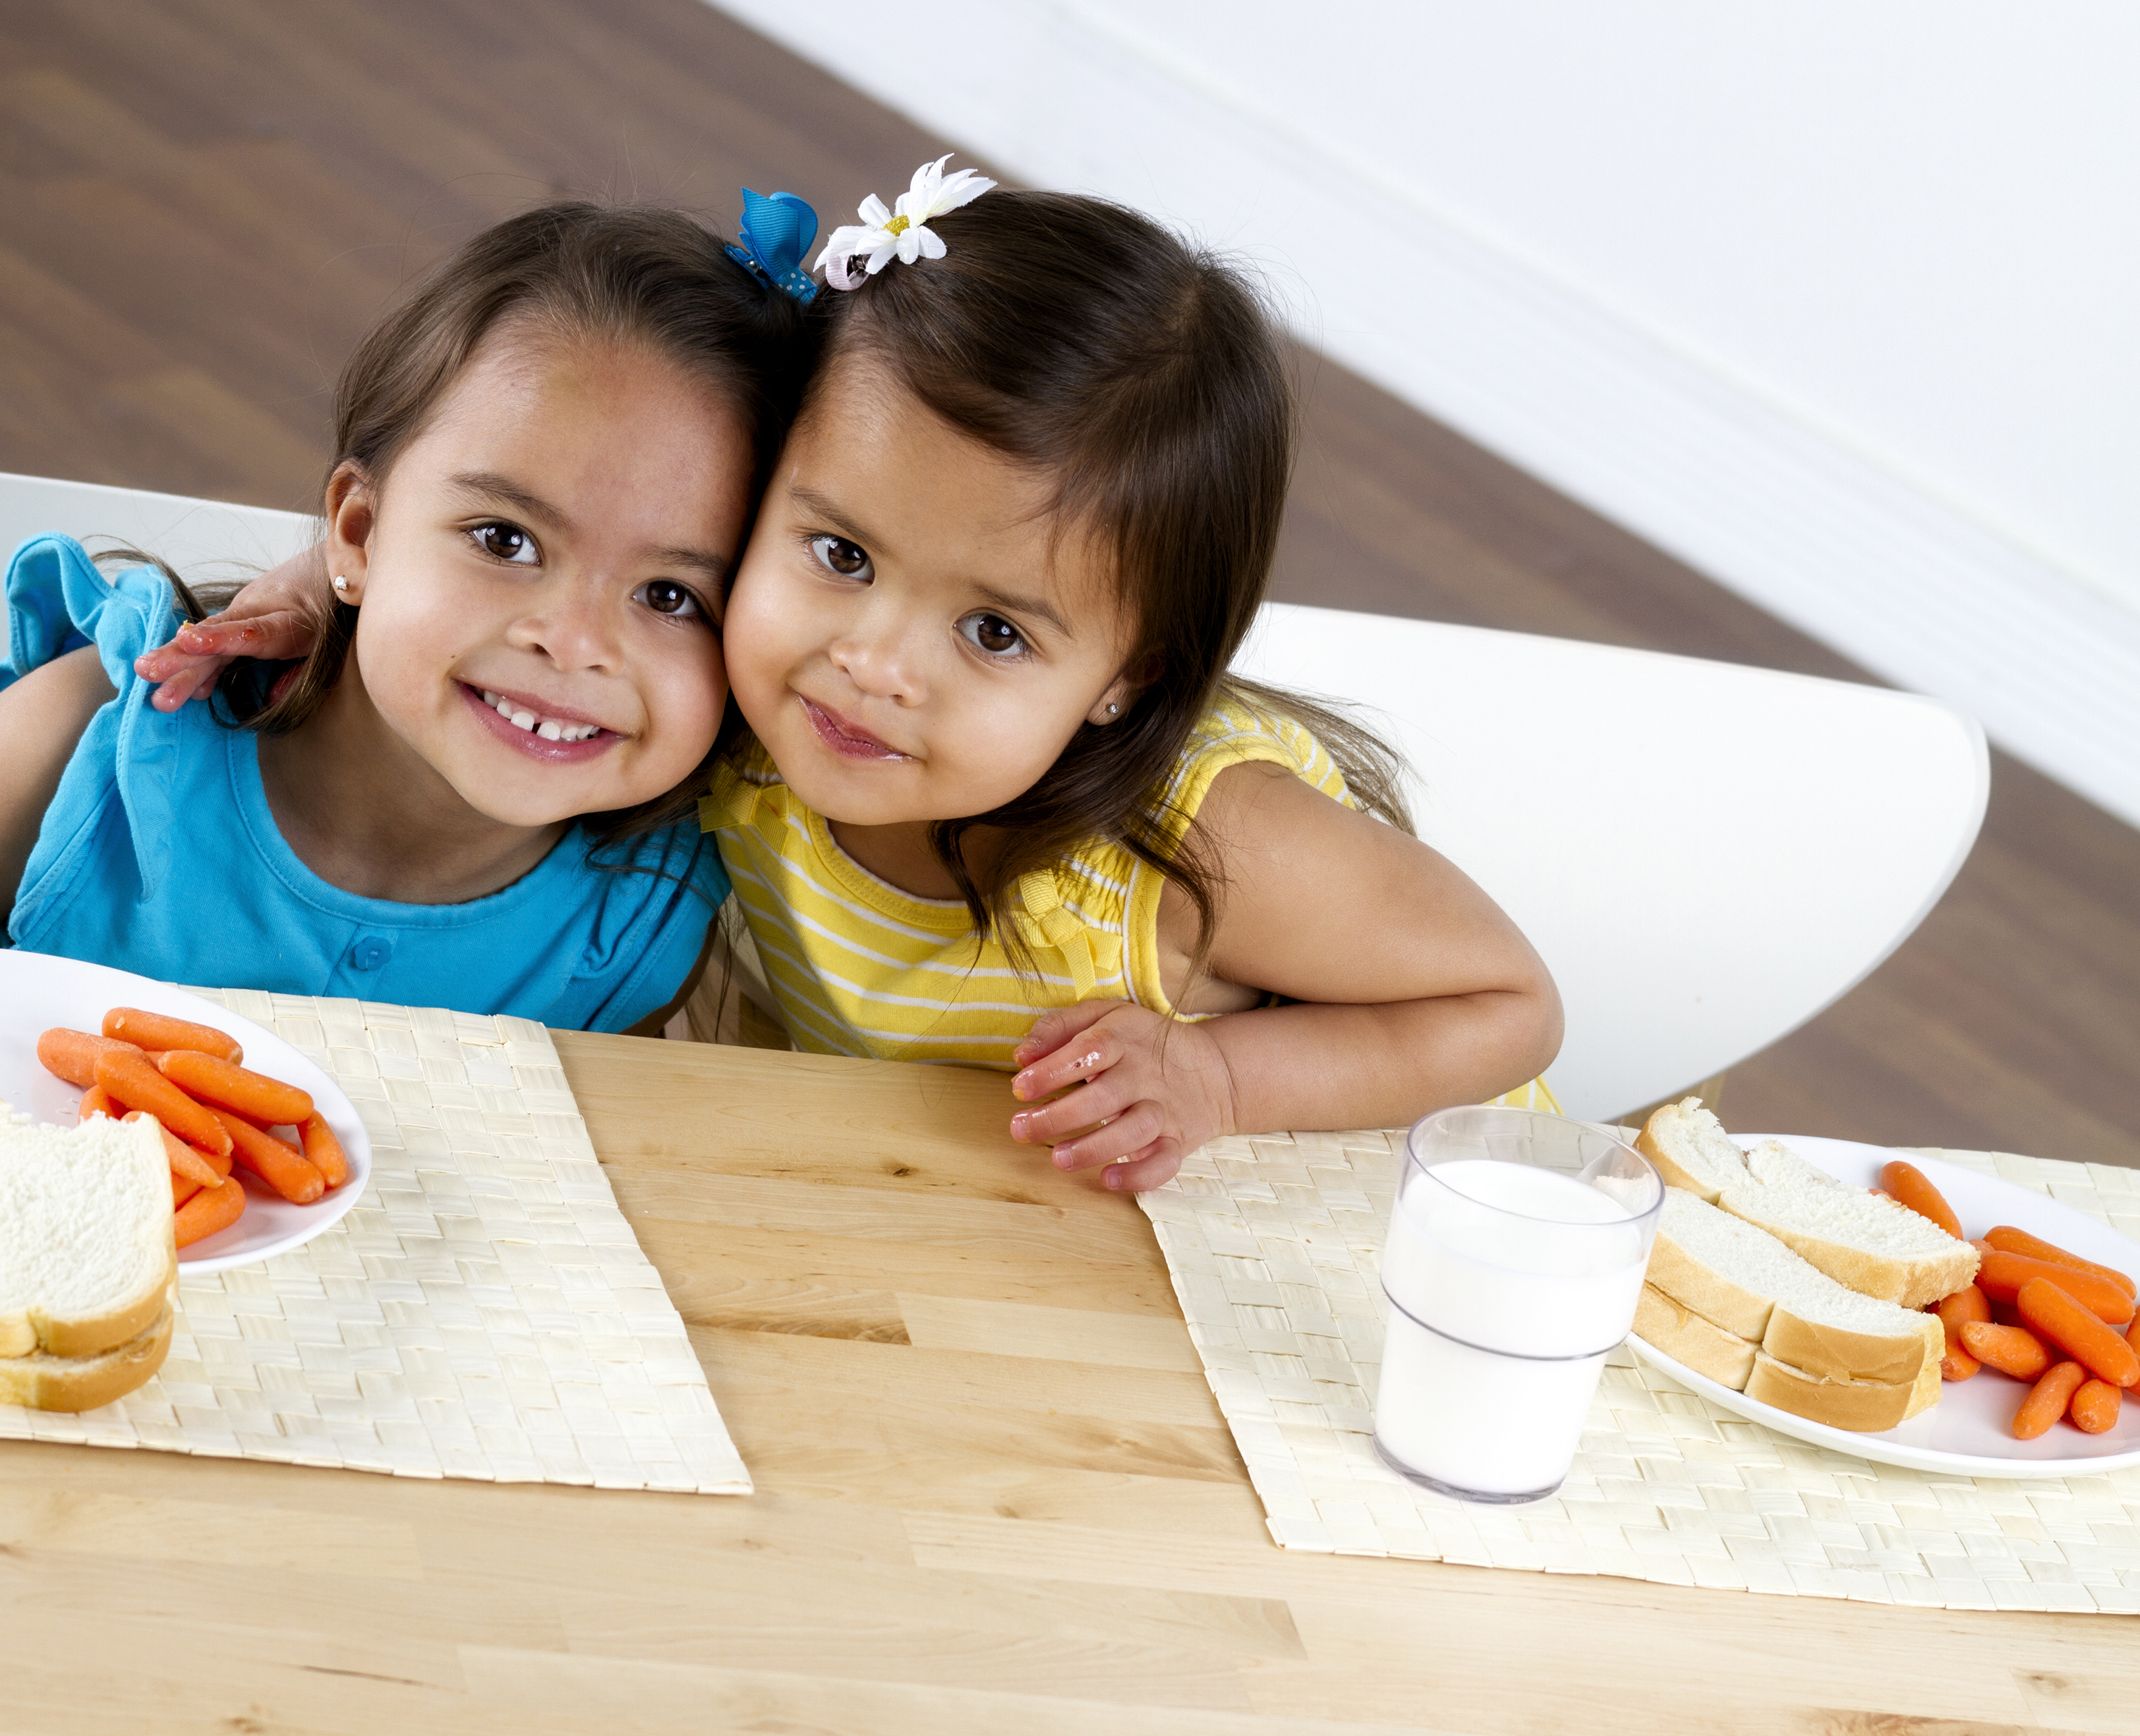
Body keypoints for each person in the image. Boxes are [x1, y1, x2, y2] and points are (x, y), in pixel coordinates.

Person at [142, 162, 1566, 1185]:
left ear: (1132, 678)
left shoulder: (1197, 846)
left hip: (1340, 1239)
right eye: (838, 553)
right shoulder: (739, 704)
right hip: (947, 1218)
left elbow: (1506, 1003)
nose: (871, 662)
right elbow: (546, 505)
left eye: (996, 631)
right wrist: (309, 595)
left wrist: (1218, 1078)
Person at [0, 202, 813, 1035]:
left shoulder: (648, 907)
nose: (573, 641)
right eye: (505, 541)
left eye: (671, 596)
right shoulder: (93, 736)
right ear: (355, 535)